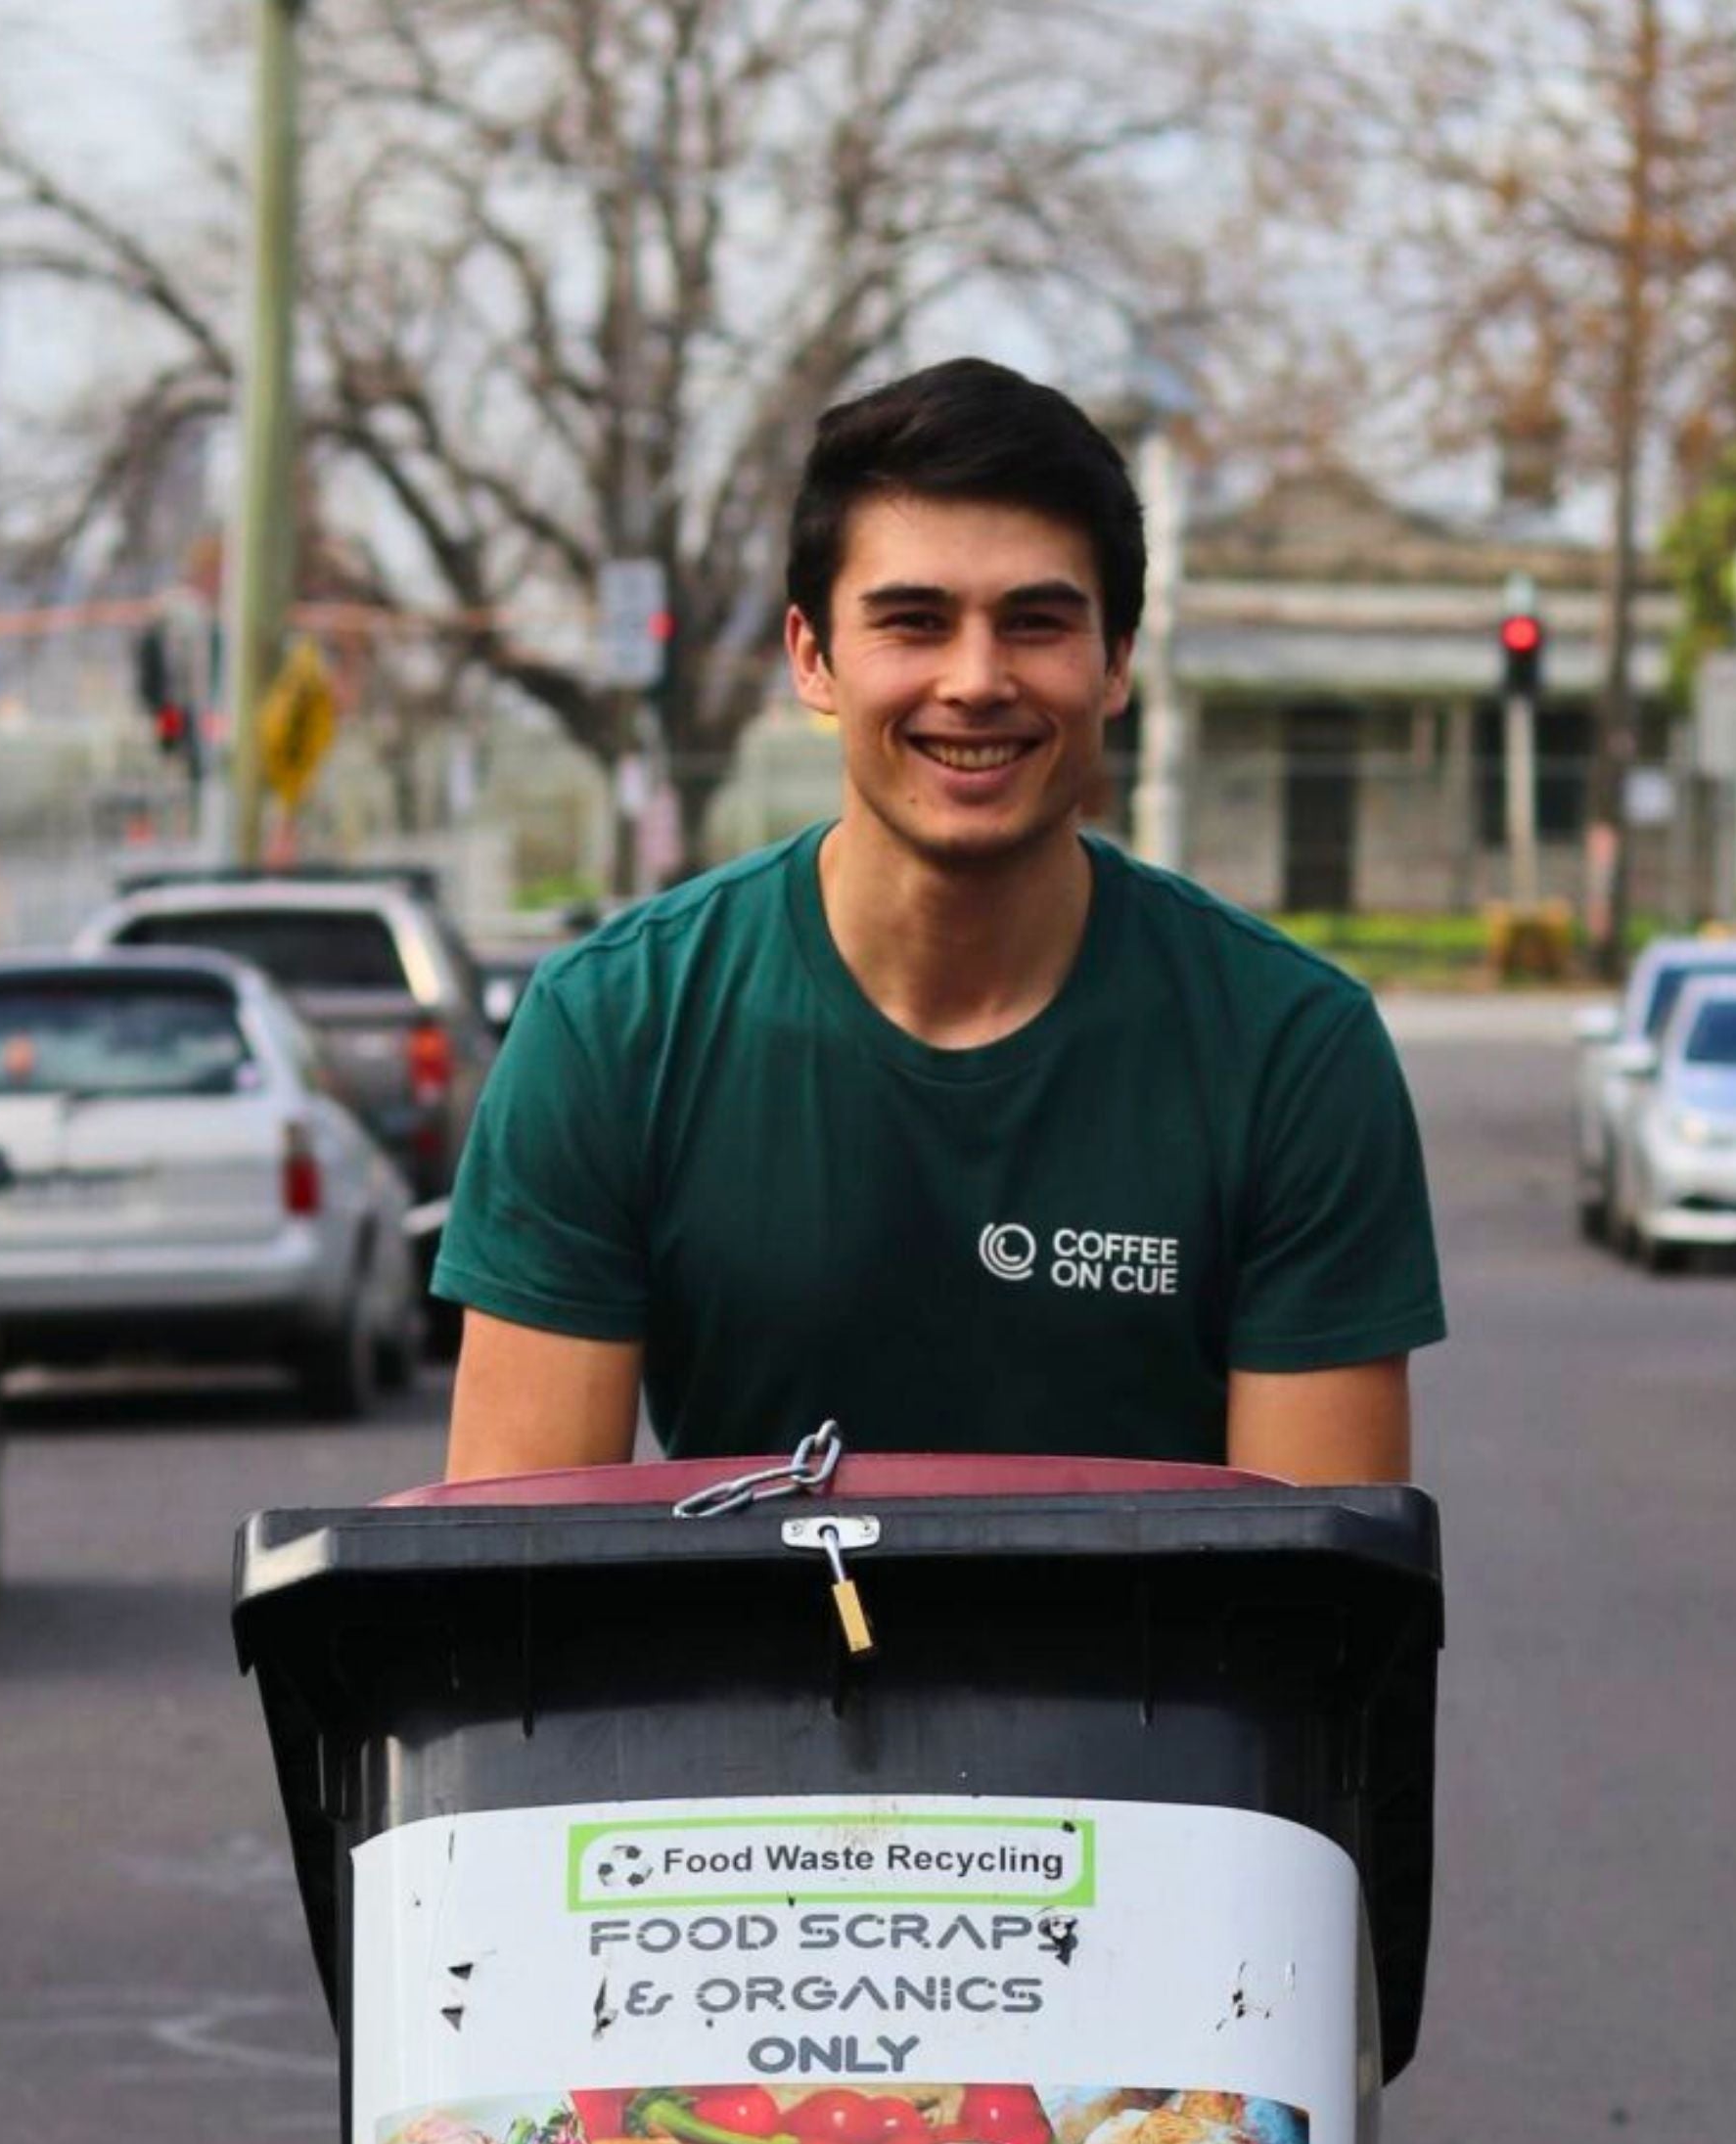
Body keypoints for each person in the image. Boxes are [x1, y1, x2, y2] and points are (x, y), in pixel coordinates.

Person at [438, 358, 1444, 1486]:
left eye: (1036, 623)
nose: (975, 679)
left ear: (1117, 664)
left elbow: (1315, 1620)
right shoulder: (612, 1031)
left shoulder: (1290, 1050)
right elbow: (512, 1597)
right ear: (813, 659)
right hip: (736, 1672)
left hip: (1167, 1675)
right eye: (914, 622)